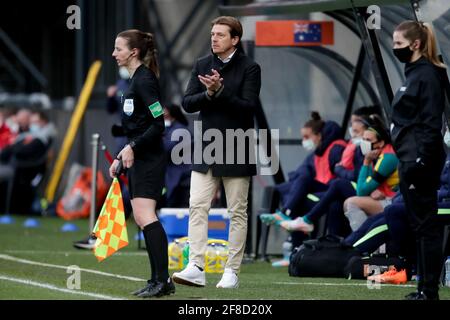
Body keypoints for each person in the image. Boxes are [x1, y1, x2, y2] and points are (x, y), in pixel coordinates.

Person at [172, 16, 261, 289]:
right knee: (197, 205)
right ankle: (195, 266)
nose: (214, 38)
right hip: (207, 147)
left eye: (220, 35)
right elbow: (187, 103)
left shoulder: (250, 68)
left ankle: (231, 271)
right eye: (213, 33)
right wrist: (209, 95)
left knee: (237, 212)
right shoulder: (201, 64)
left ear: (235, 39)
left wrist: (220, 90)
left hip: (237, 146)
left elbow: (248, 107)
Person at [109, 29, 174, 298]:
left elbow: (159, 124)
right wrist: (121, 154)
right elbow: (137, 126)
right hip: (136, 155)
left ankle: (162, 281)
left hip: (149, 158)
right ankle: (157, 279)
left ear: (133, 52)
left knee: (147, 216)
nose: (114, 54)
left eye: (119, 49)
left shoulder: (145, 81)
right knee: (140, 217)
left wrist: (132, 147)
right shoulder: (134, 81)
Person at [390, 20, 447, 300]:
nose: (394, 48)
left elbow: (430, 122)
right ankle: (424, 289)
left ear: (415, 44)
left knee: (426, 227)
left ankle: (429, 291)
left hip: (419, 162)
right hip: (410, 159)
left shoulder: (426, 75)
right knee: (421, 226)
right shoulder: (414, 73)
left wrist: (422, 160)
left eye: (399, 44)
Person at [162, 104, 192, 208]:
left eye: (165, 114)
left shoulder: (180, 130)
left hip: (182, 179)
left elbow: (167, 148)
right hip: (174, 178)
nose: (163, 117)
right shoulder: (169, 130)